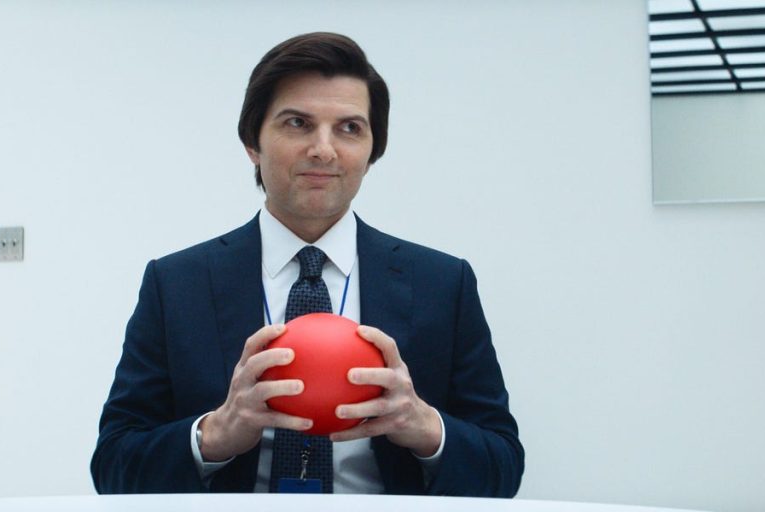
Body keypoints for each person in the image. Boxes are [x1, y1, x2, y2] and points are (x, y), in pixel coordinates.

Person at [91, 32, 523, 497]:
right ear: (252, 142)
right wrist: (213, 435)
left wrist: (424, 427)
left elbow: (503, 468)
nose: (324, 149)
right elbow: (113, 468)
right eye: (298, 123)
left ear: (372, 152)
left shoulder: (443, 284)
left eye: (350, 128)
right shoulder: (176, 284)